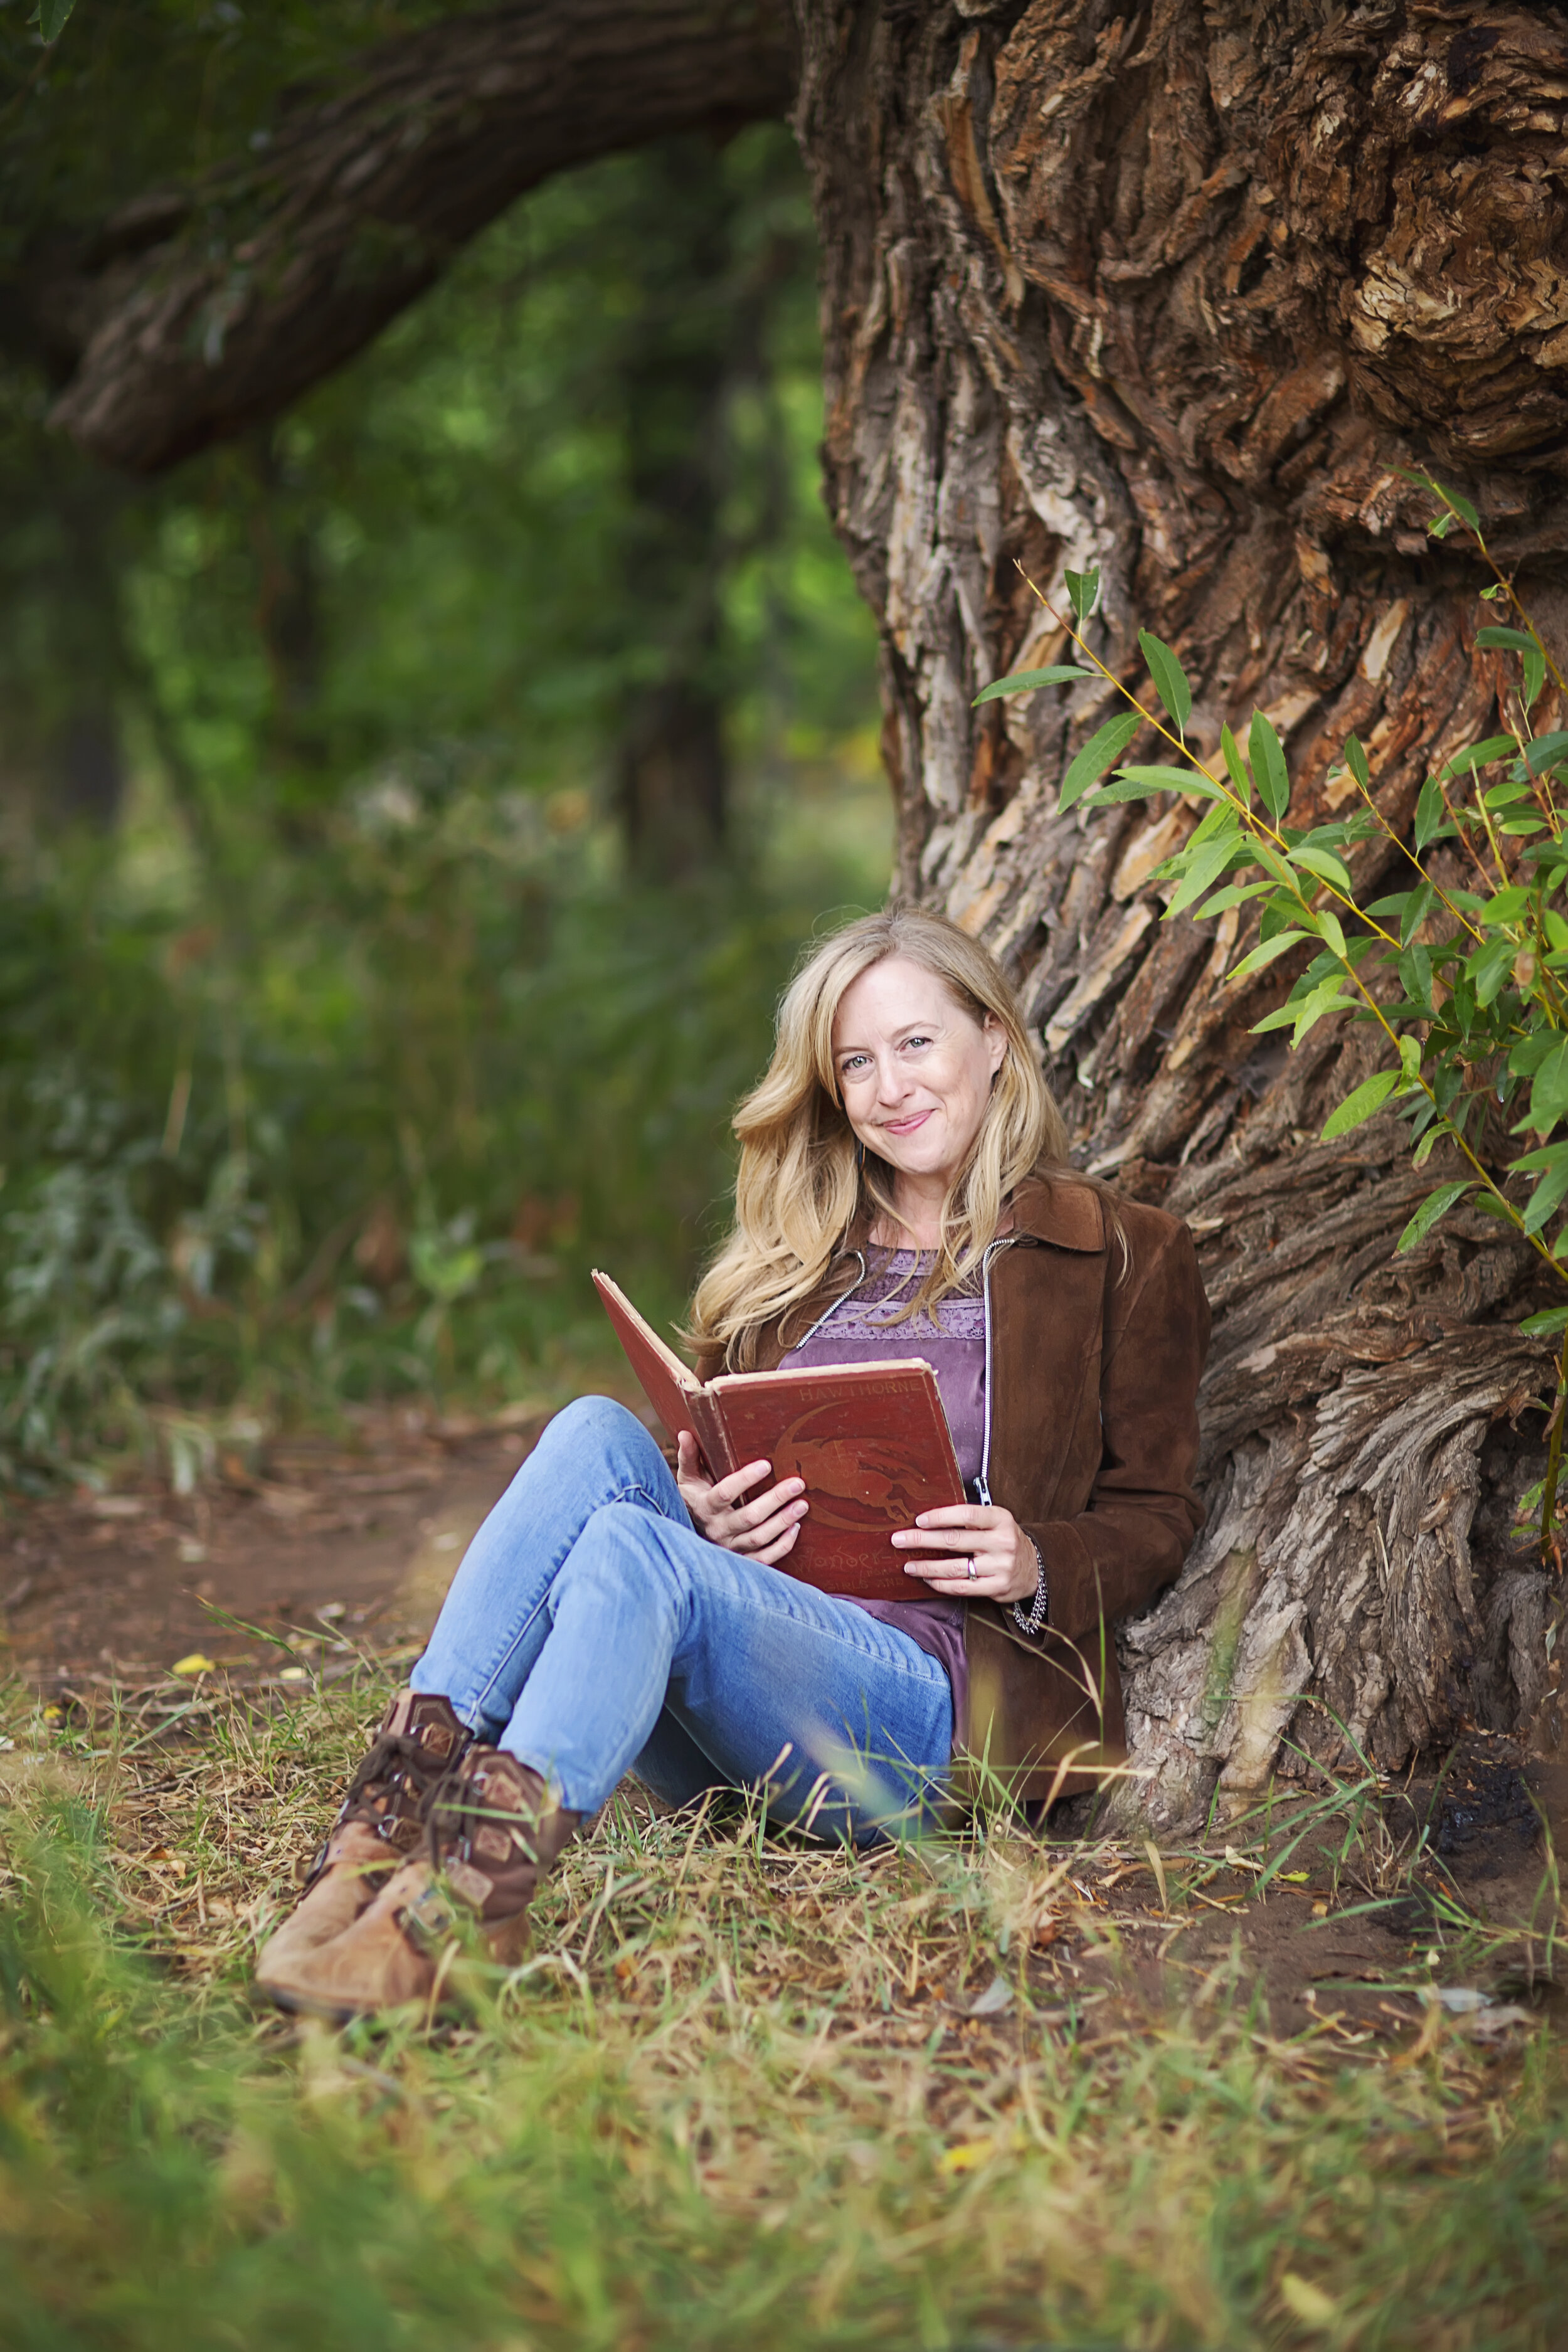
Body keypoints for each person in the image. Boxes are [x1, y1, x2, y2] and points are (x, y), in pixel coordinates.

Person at [256, 908, 1209, 2019]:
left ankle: (469, 1907)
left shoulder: (1120, 1250)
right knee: (591, 1435)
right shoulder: (799, 1254)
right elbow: (704, 1454)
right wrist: (708, 1512)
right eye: (856, 1062)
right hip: (731, 1692)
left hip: (929, 1707)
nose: (890, 1086)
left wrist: (1033, 1556)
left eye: (915, 1044)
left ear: (992, 1039)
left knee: (631, 1551)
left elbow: (1158, 1511)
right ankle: (378, 1841)